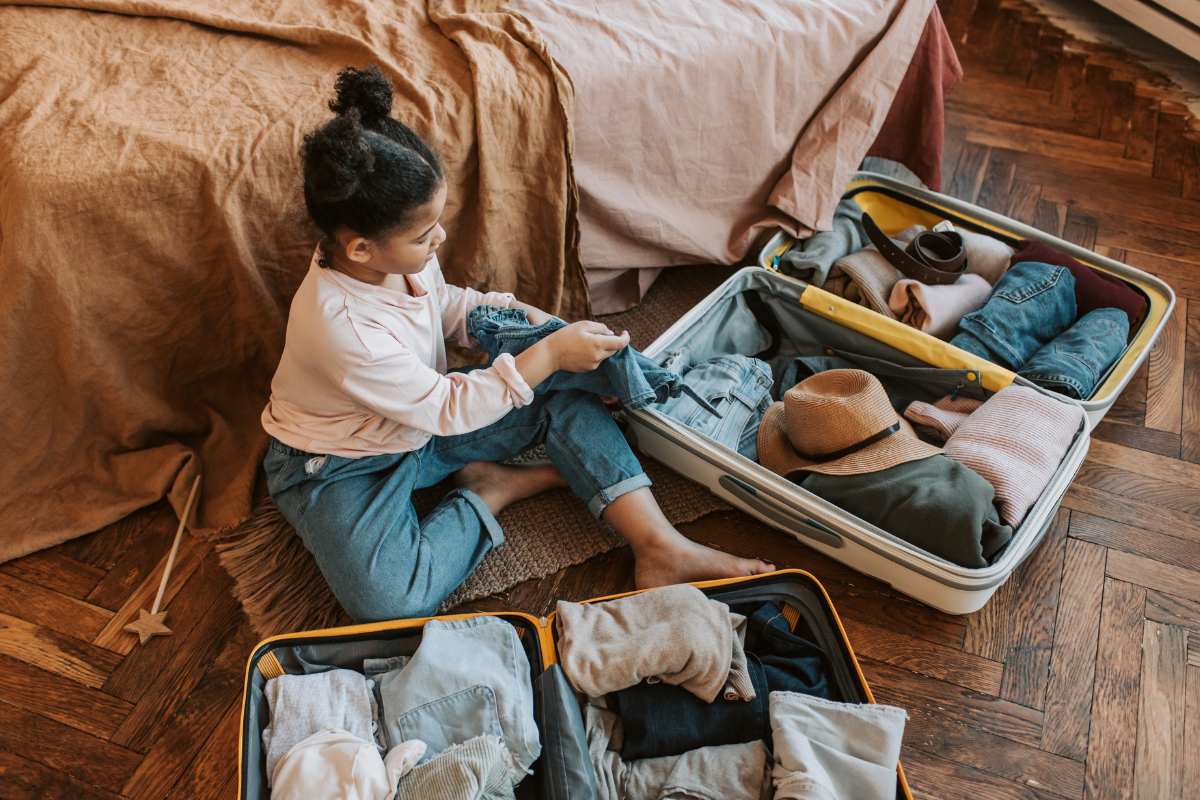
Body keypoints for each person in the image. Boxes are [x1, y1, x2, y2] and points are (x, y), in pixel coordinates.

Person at [261, 65, 772, 621]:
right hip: (343, 462)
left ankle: (659, 545)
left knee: (561, 391)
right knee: (388, 600)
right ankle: (490, 491)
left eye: (438, 222)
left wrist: (533, 328)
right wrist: (548, 354)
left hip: (421, 427)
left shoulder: (392, 264)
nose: (440, 238)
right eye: (422, 235)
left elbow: (449, 306)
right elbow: (449, 406)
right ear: (359, 249)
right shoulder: (342, 329)